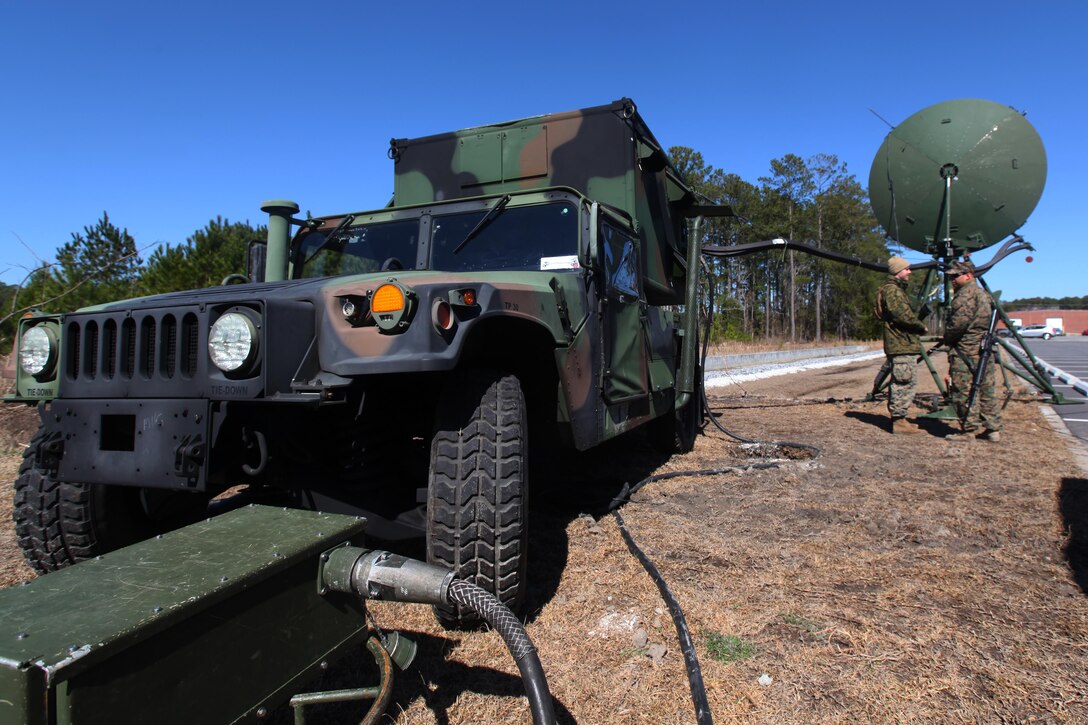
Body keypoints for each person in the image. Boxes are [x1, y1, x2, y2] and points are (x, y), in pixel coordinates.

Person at [943, 260, 1002, 442]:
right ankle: (993, 429)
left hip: (965, 351)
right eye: (950, 276)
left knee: (962, 392)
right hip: (983, 350)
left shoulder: (965, 295)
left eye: (955, 276)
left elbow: (958, 324)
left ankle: (968, 430)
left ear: (968, 276)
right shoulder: (985, 295)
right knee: (987, 390)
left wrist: (947, 338)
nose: (952, 279)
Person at [875, 256, 928, 434]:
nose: (910, 272)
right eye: (907, 269)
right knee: (902, 382)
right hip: (901, 343)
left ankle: (902, 419)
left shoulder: (895, 290)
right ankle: (899, 422)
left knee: (906, 381)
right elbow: (901, 315)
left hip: (903, 342)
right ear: (898, 271)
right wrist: (920, 326)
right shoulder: (893, 291)